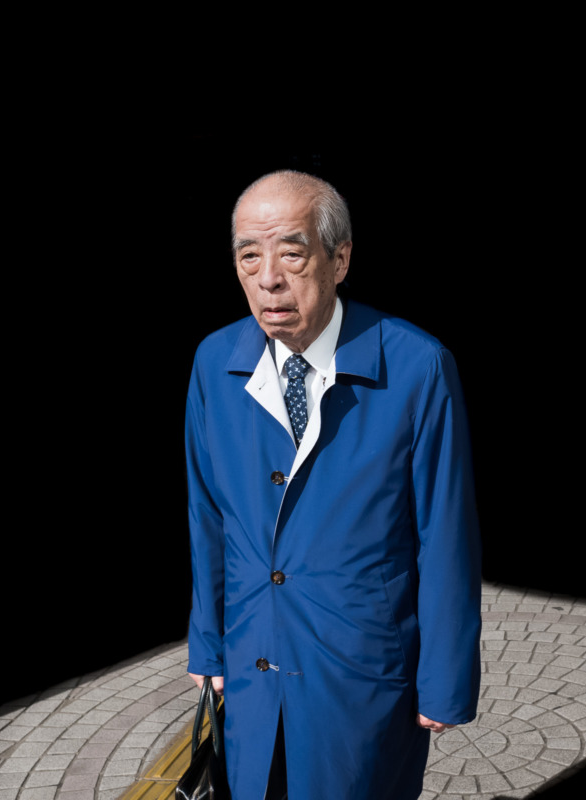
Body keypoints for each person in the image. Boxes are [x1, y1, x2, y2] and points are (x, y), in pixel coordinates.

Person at [185, 170, 482, 799]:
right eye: (248, 257)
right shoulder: (214, 363)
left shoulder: (416, 365)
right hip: (250, 665)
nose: (269, 278)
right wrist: (208, 646)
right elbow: (207, 515)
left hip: (363, 673)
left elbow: (446, 533)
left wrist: (446, 680)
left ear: (339, 258)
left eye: (291, 254)